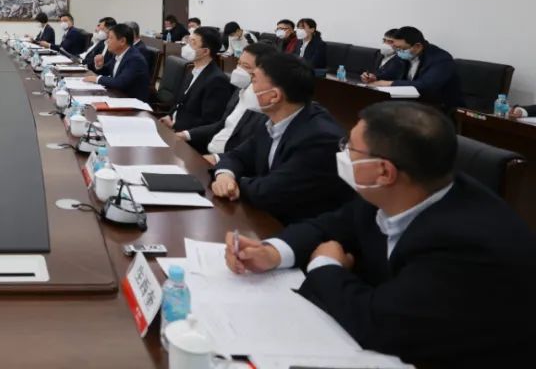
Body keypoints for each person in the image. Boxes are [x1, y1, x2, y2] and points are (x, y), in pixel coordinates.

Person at [224, 102, 536, 368]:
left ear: (384, 171)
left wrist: (324, 266)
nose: (343, 154)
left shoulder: (466, 244)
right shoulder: (396, 191)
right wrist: (273, 252)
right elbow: (330, 225)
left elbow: (380, 325)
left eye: (350, 148)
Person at [211, 52, 352, 224]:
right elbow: (237, 156)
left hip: (301, 228)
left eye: (254, 81)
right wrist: (225, 175)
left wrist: (234, 183)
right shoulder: (271, 119)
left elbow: (269, 192)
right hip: (268, 217)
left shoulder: (320, 138)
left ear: (274, 96)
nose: (250, 87)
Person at [179, 42, 276, 159]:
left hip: (225, 159)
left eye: (246, 66)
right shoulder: (240, 89)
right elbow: (222, 124)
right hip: (209, 150)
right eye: (239, 63)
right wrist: (186, 134)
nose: (239, 69)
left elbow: (249, 147)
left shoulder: (264, 104)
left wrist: (217, 159)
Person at [368, 26, 464, 110]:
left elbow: (426, 86)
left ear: (418, 46)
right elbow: (389, 71)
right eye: (396, 48)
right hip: (411, 102)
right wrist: (375, 77)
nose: (398, 51)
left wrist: (389, 83)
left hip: (438, 106)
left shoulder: (441, 59)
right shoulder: (403, 53)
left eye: (401, 48)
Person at [160, 27, 233, 133]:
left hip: (187, 135)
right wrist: (169, 116)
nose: (187, 46)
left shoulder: (217, 80)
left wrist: (175, 125)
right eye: (188, 41)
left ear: (205, 51)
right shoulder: (193, 70)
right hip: (173, 126)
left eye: (193, 43)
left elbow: (209, 121)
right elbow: (180, 103)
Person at [83, 23, 151, 101]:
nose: (107, 41)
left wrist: (97, 79)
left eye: (110, 38)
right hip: (118, 95)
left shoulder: (135, 59)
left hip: (132, 102)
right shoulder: (118, 53)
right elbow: (107, 70)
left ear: (122, 41)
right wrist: (99, 66)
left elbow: (121, 82)